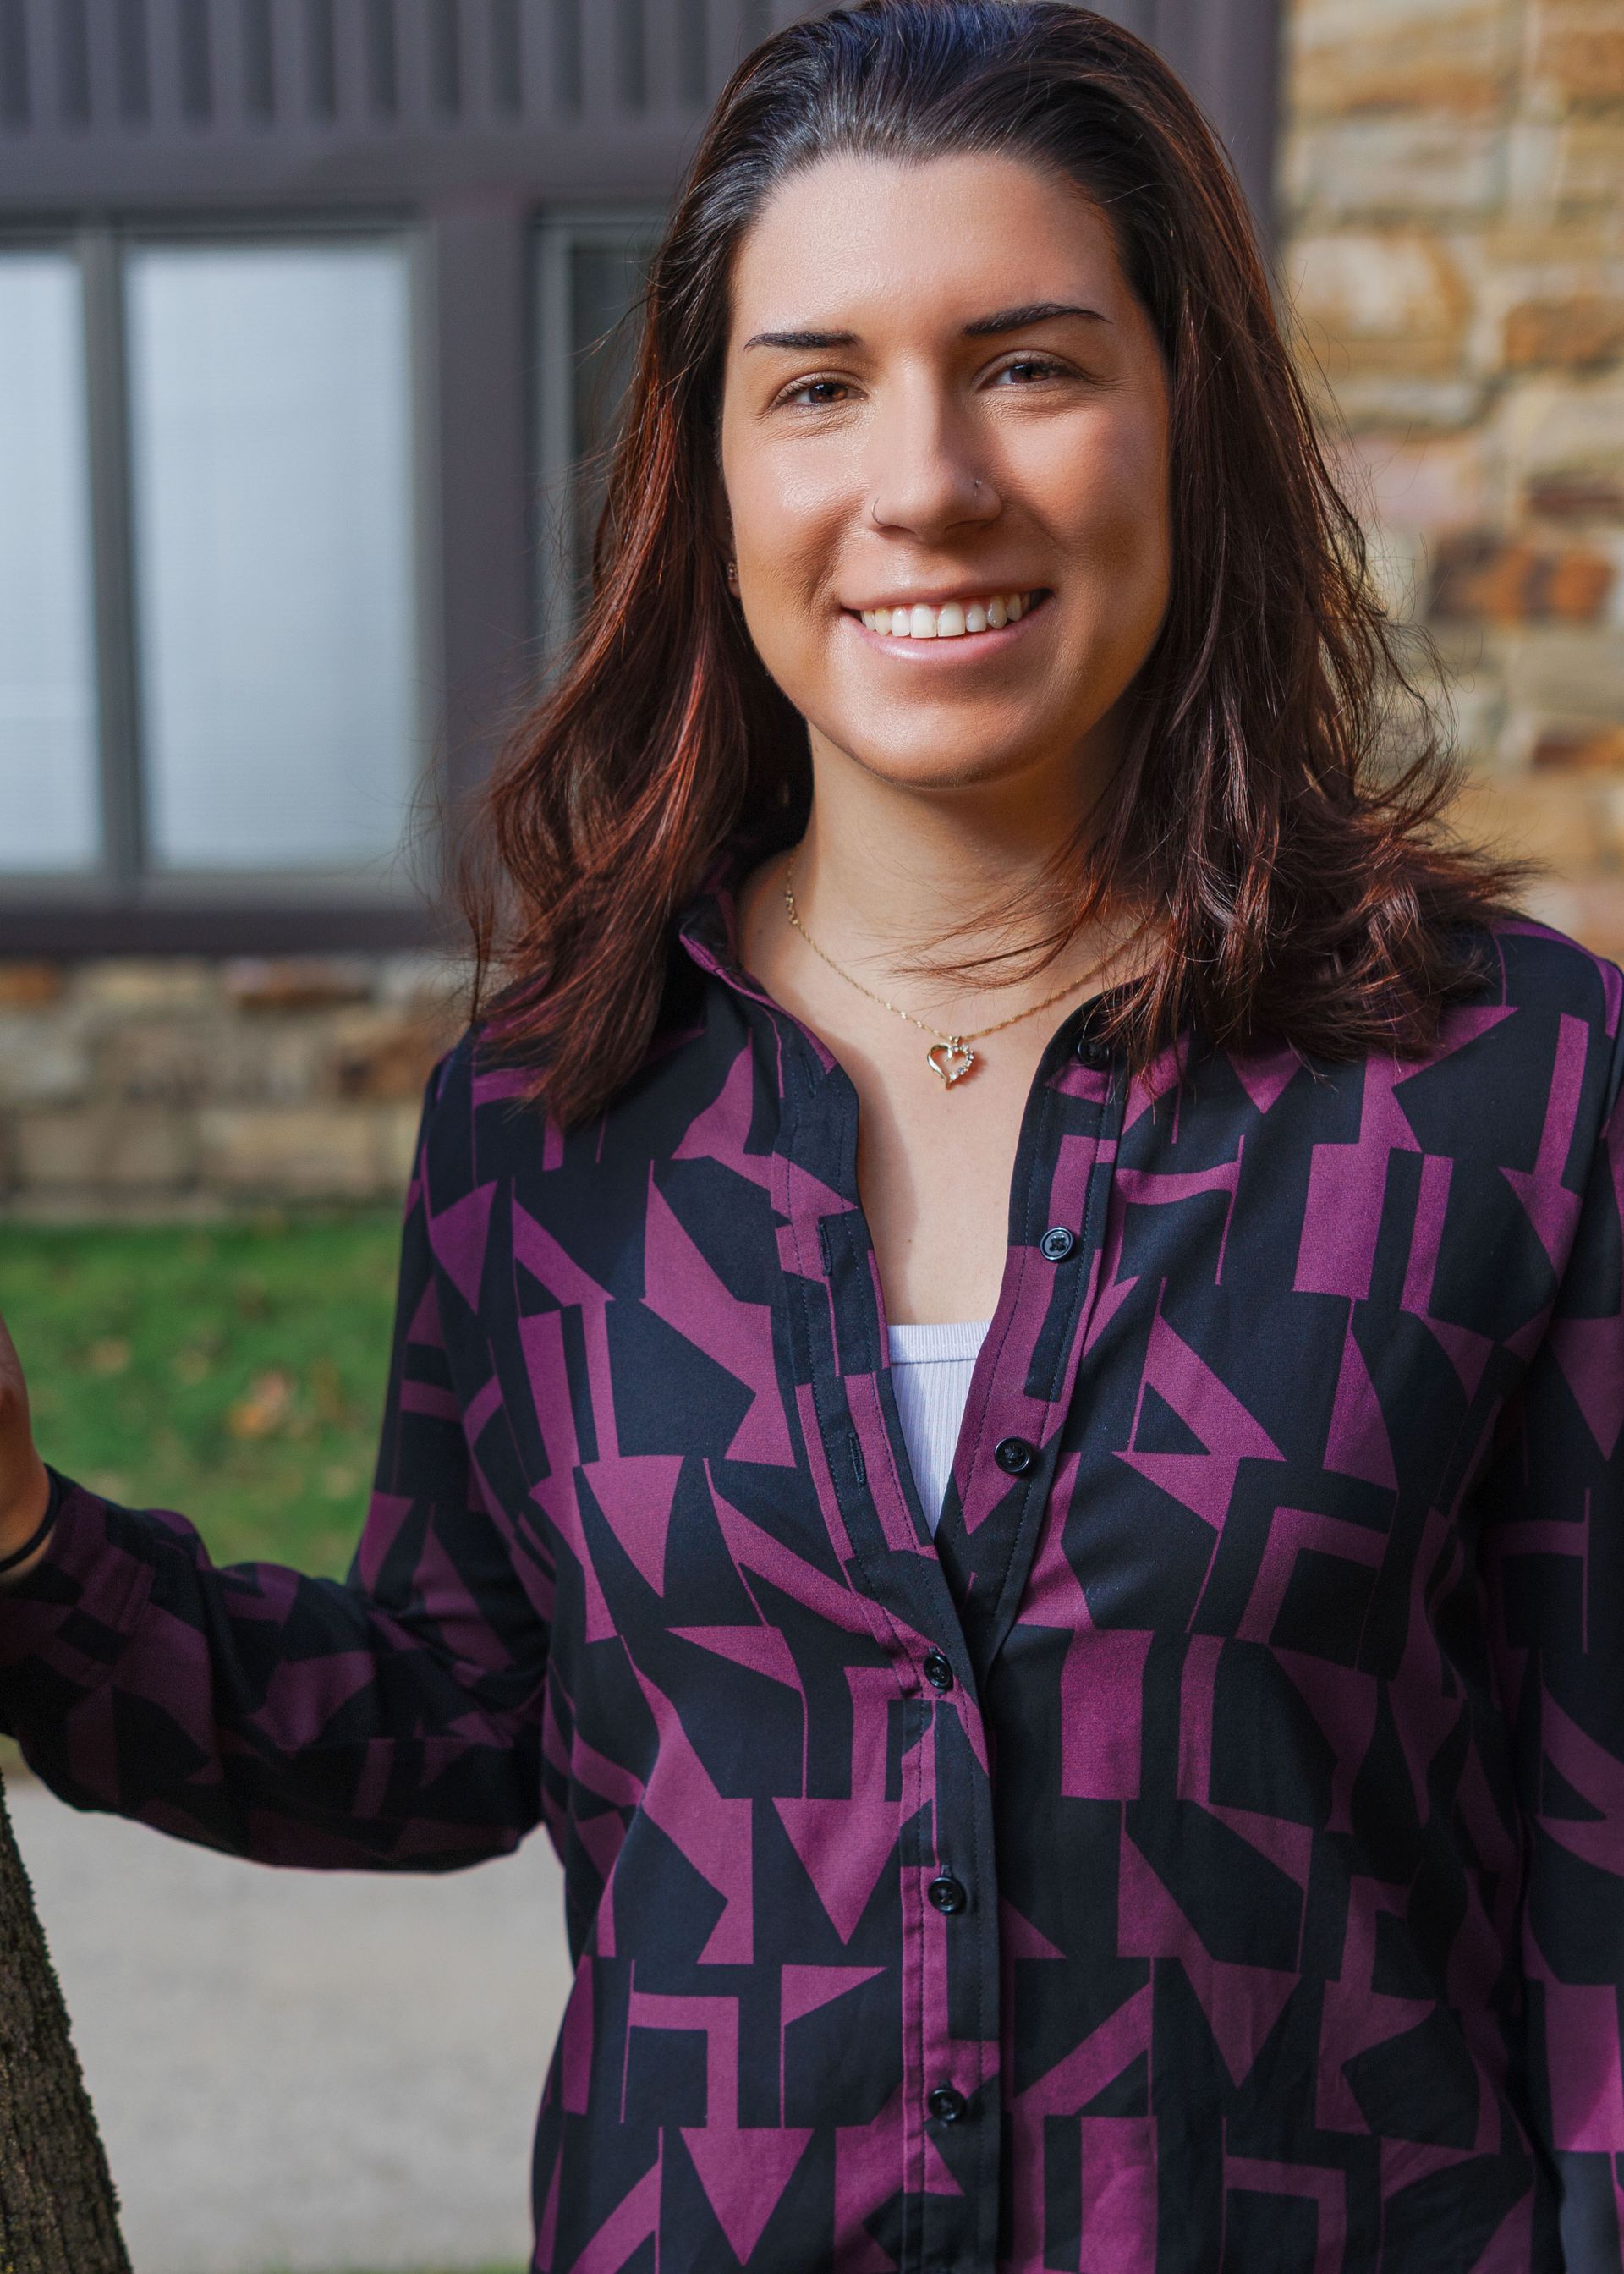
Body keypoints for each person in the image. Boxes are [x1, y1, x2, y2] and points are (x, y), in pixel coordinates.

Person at [0, 2, 1620, 2266]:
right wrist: (25, 1548)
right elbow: (447, 1717)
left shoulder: (1506, 1089)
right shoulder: (548, 1121)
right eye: (820, 380)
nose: (925, 478)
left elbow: (1603, 1875)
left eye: (1033, 363)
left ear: (1188, 420)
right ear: (718, 468)